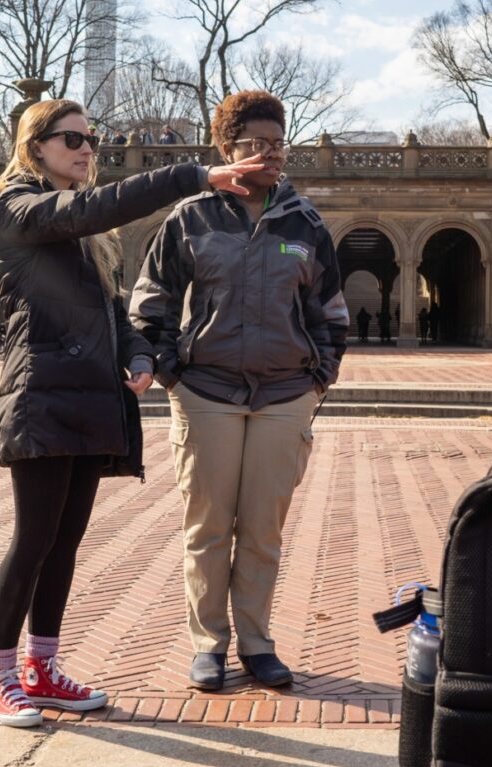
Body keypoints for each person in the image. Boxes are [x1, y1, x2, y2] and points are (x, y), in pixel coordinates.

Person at [0, 98, 265, 727]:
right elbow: (95, 205)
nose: (86, 148)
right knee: (32, 541)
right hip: (41, 394)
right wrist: (191, 176)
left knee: (65, 544)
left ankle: (42, 670)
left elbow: (110, 310)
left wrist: (140, 353)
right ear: (35, 145)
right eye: (72, 139)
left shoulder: (85, 239)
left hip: (90, 396)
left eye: (91, 138)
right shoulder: (16, 207)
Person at [131, 90, 348, 692]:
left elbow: (329, 309)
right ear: (228, 150)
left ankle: (256, 643)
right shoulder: (191, 218)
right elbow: (152, 303)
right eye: (257, 144)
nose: (272, 154)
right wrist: (172, 371)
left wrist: (317, 380)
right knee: (207, 528)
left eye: (279, 142)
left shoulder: (304, 223)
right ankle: (208, 645)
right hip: (207, 393)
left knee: (262, 531)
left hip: (284, 396)